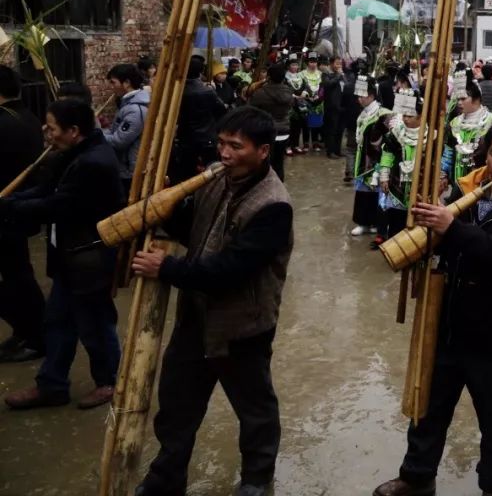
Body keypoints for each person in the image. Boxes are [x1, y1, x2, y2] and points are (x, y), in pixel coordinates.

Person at [372, 121, 492, 496]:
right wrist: (425, 224)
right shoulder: (464, 188)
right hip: (447, 321)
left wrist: (451, 227)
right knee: (428, 404)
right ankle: (417, 476)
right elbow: (439, 243)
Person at [130, 107, 293, 496]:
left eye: (236, 146)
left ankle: (256, 479)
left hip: (242, 325)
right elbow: (194, 231)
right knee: (176, 405)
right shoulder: (216, 179)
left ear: (263, 151)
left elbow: (230, 270)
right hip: (195, 316)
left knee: (254, 409)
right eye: (221, 143)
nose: (224, 152)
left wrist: (167, 268)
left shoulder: (274, 205)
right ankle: (166, 478)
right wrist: (166, 205)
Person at [1, 98, 124, 410]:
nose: (47, 132)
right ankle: (52, 385)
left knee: (95, 324)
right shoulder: (71, 154)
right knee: (57, 322)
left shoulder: (93, 163)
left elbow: (58, 205)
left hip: (90, 258)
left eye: (53, 128)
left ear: (74, 130)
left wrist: (12, 209)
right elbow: (46, 190)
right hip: (70, 257)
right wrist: (9, 201)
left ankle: (109, 381)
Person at [0, 66, 46, 363]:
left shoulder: (5, 122)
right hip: (22, 208)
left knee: (17, 276)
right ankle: (28, 330)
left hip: (7, 209)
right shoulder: (29, 117)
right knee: (19, 272)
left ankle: (35, 333)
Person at [442, 74, 492, 197]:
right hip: (458, 186)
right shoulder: (455, 124)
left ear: (477, 98)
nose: (459, 103)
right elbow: (448, 153)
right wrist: (442, 174)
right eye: (458, 99)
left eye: (463, 99)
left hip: (485, 186)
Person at [171, 55, 227, 183]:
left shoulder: (178, 91)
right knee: (211, 173)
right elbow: (221, 111)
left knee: (187, 174)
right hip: (207, 138)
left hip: (186, 139)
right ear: (201, 72)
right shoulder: (207, 91)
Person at [379, 89, 426, 241]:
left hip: (421, 189)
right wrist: (384, 176)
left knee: (419, 228)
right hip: (397, 186)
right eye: (404, 115)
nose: (405, 119)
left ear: (421, 116)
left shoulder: (431, 136)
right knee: (396, 224)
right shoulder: (395, 134)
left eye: (410, 116)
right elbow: (387, 155)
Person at [350, 75, 392, 239]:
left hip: (377, 161)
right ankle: (363, 223)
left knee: (377, 194)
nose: (359, 99)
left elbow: (390, 140)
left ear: (372, 95)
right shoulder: (362, 114)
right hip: (363, 160)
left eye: (363, 95)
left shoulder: (384, 114)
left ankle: (376, 223)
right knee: (363, 193)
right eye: (358, 95)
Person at [104, 63, 150, 193]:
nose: (111, 87)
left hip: (130, 171)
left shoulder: (135, 110)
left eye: (113, 83)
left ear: (127, 83)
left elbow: (119, 141)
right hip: (124, 167)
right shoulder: (127, 105)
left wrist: (95, 135)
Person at [248, 63, 294, 182]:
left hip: (267, 131)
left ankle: (266, 186)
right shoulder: (288, 92)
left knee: (265, 163)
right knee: (279, 163)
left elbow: (251, 109)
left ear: (268, 77)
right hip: (284, 131)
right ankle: (279, 186)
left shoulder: (260, 93)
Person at [321, 56, 347, 158]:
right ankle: (330, 151)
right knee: (332, 130)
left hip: (342, 106)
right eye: (337, 63)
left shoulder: (341, 74)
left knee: (340, 130)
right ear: (331, 64)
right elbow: (327, 85)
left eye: (340, 64)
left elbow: (347, 85)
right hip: (331, 107)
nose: (339, 66)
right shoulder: (326, 74)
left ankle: (337, 150)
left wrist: (342, 76)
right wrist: (338, 76)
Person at [284, 57, 311, 155]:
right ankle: (287, 146)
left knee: (298, 126)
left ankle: (295, 145)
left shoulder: (300, 76)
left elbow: (306, 86)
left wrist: (304, 92)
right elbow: (284, 89)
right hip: (290, 104)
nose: (295, 67)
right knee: (289, 126)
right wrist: (293, 96)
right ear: (288, 66)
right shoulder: (285, 77)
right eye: (293, 65)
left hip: (300, 104)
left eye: (296, 65)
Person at [300, 55, 325, 151]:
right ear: (307, 63)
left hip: (318, 102)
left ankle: (315, 143)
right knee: (305, 123)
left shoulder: (321, 74)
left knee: (316, 123)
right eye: (311, 62)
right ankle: (306, 143)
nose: (313, 64)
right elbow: (300, 87)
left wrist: (319, 97)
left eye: (315, 62)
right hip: (305, 101)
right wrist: (308, 97)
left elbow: (322, 87)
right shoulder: (302, 74)